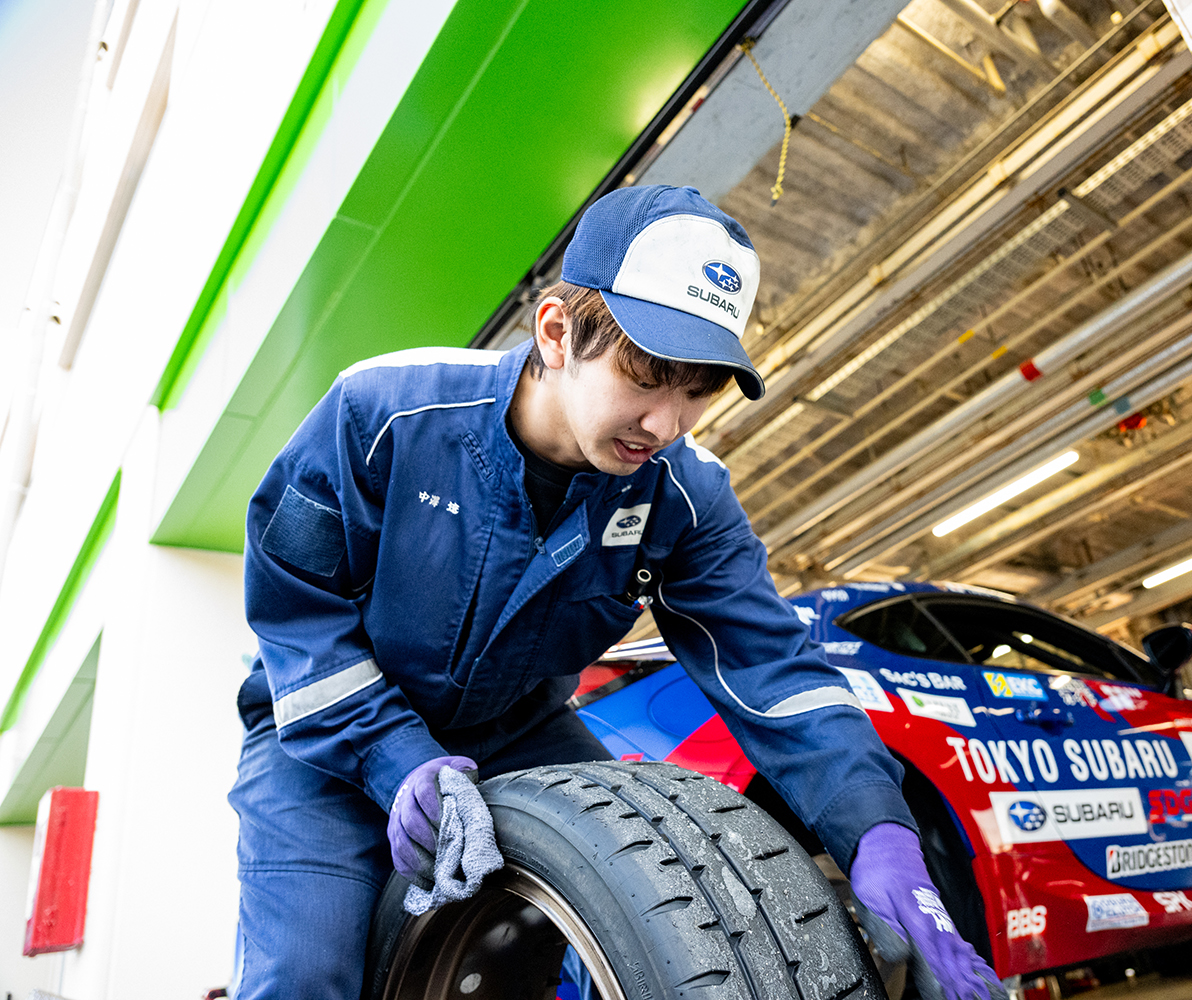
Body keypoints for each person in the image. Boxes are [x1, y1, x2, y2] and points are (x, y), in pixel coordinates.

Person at [229, 185, 1001, 998]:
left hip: (513, 730)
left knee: (670, 901)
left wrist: (878, 830)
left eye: (698, 389)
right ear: (557, 333)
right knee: (305, 974)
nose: (666, 423)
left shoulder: (684, 499)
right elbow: (294, 609)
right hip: (325, 739)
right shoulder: (381, 414)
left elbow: (772, 671)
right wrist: (396, 757)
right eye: (648, 375)